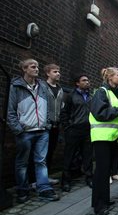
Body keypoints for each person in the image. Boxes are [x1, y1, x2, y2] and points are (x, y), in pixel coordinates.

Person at [7, 58, 59, 203]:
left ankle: (44, 189)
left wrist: (47, 124)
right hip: (25, 132)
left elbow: (48, 107)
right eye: (32, 66)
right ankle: (23, 190)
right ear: (24, 69)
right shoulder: (16, 87)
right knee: (22, 163)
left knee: (41, 161)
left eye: (37, 66)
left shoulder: (42, 85)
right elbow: (10, 111)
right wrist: (18, 130)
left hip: (42, 131)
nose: (36, 69)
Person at [89, 67, 118, 215]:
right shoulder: (101, 92)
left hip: (113, 137)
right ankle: (99, 205)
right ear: (109, 78)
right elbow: (100, 114)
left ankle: (103, 199)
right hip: (102, 137)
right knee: (101, 171)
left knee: (106, 170)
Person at [61, 74, 93, 192]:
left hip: (87, 129)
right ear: (77, 83)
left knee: (88, 155)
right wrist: (67, 127)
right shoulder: (71, 96)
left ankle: (89, 178)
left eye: (88, 80)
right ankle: (65, 181)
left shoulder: (90, 96)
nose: (87, 82)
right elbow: (64, 113)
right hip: (74, 129)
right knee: (69, 155)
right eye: (84, 80)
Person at [41, 64, 64, 184]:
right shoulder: (42, 87)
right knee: (40, 153)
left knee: (50, 152)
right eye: (55, 71)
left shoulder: (60, 89)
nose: (58, 73)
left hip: (56, 125)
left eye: (58, 71)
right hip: (44, 125)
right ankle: (35, 179)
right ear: (48, 73)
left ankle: (46, 176)